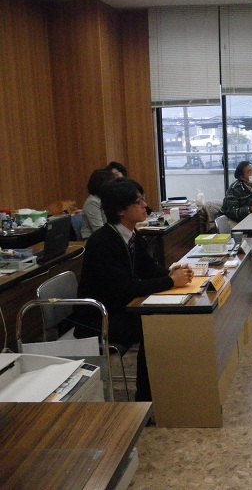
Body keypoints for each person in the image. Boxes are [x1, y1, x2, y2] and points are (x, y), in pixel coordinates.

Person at [73, 177, 194, 401]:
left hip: (120, 308)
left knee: (161, 320)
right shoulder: (102, 242)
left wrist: (171, 272)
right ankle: (145, 400)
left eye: (143, 199)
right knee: (154, 326)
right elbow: (125, 288)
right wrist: (170, 282)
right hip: (97, 318)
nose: (145, 205)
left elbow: (147, 268)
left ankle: (166, 390)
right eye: (138, 202)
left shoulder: (130, 234)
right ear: (120, 210)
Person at [80, 169, 114, 239]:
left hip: (107, 236)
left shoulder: (106, 198)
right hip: (92, 239)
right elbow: (99, 229)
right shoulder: (92, 202)